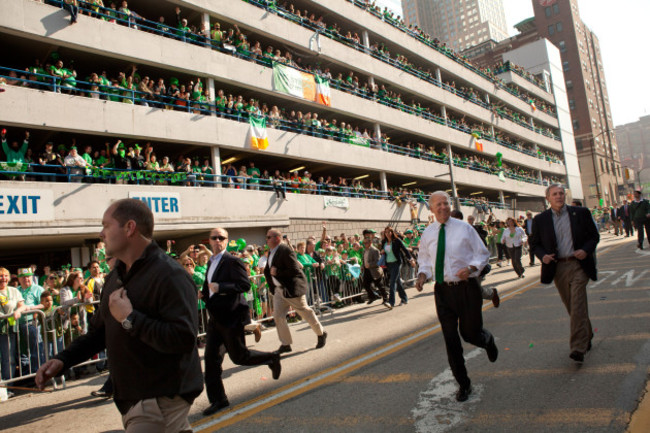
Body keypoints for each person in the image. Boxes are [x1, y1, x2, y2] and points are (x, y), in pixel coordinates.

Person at [36, 199, 204, 432]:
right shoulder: (116, 276)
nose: (101, 233)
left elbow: (182, 338)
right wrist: (64, 360)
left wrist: (130, 318)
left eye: (106, 225)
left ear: (129, 228)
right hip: (133, 399)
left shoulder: (170, 274)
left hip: (160, 398)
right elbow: (100, 331)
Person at [415, 191, 497, 402]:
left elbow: (482, 253)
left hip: (466, 289)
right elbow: (424, 259)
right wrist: (422, 275)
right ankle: (464, 384)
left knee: (470, 334)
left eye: (445, 204)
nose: (442, 207)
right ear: (431, 209)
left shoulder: (465, 228)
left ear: (450, 206)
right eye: (438, 205)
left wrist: (471, 268)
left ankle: (486, 340)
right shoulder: (428, 233)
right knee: (451, 341)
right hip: (443, 291)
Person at [201, 227, 281, 417]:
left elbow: (244, 285)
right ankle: (218, 400)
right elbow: (209, 285)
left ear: (227, 241)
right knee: (211, 361)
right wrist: (204, 293)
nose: (218, 240)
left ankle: (271, 357)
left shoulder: (232, 261)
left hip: (231, 317)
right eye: (214, 237)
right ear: (209, 241)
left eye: (222, 237)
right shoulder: (211, 262)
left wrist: (221, 287)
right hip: (215, 319)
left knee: (239, 357)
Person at [529, 184, 599, 363]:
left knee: (577, 303)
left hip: (579, 265)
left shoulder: (581, 213)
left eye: (561, 193)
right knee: (572, 306)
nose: (559, 196)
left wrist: (585, 250)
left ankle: (577, 347)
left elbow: (594, 236)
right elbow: (535, 244)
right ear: (548, 198)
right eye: (555, 194)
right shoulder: (540, 219)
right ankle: (587, 333)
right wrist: (542, 255)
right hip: (558, 267)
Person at [264, 228, 327, 353]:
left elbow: (294, 269)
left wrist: (278, 272)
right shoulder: (271, 251)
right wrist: (272, 286)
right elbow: (268, 269)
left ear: (277, 238)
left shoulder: (285, 250)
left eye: (268, 237)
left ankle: (321, 333)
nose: (266, 240)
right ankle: (286, 344)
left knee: (305, 312)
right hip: (279, 291)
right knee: (278, 316)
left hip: (291, 289)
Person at [0, 267, 26, 383]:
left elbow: (22, 305)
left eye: (5, 276)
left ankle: (8, 385)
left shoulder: (14, 291)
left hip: (8, 330)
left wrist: (18, 311)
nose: (3, 278)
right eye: (1, 276)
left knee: (9, 358)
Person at [380, 226, 415, 307]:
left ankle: (391, 302)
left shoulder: (397, 241)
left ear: (392, 232)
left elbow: (405, 250)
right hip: (389, 264)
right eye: (386, 232)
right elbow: (383, 250)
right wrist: (382, 251)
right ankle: (404, 298)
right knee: (398, 281)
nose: (388, 234)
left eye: (389, 232)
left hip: (397, 263)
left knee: (392, 282)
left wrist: (411, 259)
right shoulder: (384, 241)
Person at [361, 229, 392, 310]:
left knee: (380, 286)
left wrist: (369, 265)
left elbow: (378, 261)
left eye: (366, 243)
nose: (365, 244)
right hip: (367, 271)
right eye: (364, 243)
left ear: (370, 243)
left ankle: (386, 299)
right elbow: (363, 259)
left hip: (375, 271)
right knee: (365, 284)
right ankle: (372, 296)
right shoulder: (364, 250)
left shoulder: (375, 250)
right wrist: (362, 265)